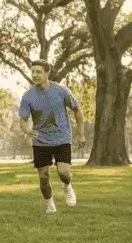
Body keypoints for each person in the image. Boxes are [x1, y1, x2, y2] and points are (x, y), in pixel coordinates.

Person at [18, 60, 86, 214]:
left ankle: (67, 186)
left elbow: (77, 109)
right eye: (33, 71)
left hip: (61, 138)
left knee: (63, 172)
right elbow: (22, 120)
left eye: (38, 72)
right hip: (40, 142)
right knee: (43, 177)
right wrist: (27, 130)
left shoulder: (61, 90)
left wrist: (81, 134)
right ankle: (50, 205)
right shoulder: (28, 96)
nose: (34, 75)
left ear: (47, 73)